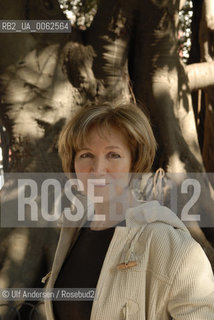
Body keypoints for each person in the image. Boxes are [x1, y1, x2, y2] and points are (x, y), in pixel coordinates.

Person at [44, 103, 214, 320]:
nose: (97, 169)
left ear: (134, 162)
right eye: (86, 155)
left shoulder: (169, 242)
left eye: (113, 155)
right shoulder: (74, 229)